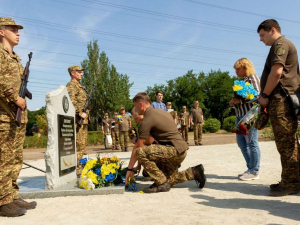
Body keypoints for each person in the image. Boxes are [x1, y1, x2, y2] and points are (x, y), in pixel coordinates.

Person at [125, 93, 206, 193]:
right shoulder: (160, 112)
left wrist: (129, 170)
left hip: (173, 151)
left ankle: (161, 183)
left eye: (135, 106)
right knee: (167, 179)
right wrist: (138, 166)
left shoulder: (147, 119)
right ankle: (194, 172)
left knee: (140, 152)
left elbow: (138, 148)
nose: (135, 109)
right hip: (180, 150)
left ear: (141, 104)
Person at [257, 19, 300, 196]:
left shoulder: (280, 44)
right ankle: (291, 180)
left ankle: (291, 183)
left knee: (286, 143)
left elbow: (276, 73)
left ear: (272, 30)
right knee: (288, 143)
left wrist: (265, 95)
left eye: (262, 35)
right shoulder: (281, 44)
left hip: (281, 99)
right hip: (282, 99)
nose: (261, 39)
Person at [0, 17, 37, 217]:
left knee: (16, 157)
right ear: (1, 32)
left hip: (16, 115)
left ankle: (12, 195)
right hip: (4, 115)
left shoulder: (15, 57)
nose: (18, 33)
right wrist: (15, 98)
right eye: (13, 29)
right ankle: (2, 201)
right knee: (4, 158)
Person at [229, 58, 261, 181]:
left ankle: (254, 170)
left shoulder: (253, 78)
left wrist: (239, 100)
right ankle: (250, 168)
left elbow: (258, 96)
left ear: (246, 68)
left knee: (252, 143)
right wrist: (233, 101)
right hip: (240, 115)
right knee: (241, 143)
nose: (236, 71)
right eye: (235, 69)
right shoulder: (241, 81)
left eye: (238, 69)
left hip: (250, 116)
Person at [66, 65, 89, 177]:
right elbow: (70, 102)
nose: (81, 73)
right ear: (72, 73)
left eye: (81, 71)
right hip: (77, 120)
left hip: (83, 121)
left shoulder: (80, 87)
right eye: (79, 72)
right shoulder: (71, 86)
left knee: (82, 146)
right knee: (78, 145)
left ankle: (79, 167)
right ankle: (76, 170)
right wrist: (80, 113)